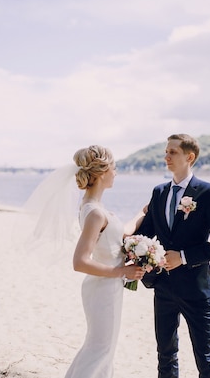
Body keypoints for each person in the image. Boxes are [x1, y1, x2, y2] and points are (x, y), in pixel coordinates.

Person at [24, 144, 145, 378]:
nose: (116, 173)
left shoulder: (93, 208)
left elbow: (121, 233)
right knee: (101, 349)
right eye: (114, 167)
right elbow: (79, 262)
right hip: (102, 288)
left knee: (100, 348)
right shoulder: (95, 213)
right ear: (101, 173)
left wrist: (142, 214)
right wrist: (122, 272)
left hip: (106, 287)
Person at [136, 134, 210, 378]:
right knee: (165, 355)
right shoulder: (159, 193)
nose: (166, 156)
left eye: (173, 152)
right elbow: (145, 233)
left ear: (189, 157)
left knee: (205, 357)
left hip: (195, 289)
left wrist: (183, 256)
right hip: (163, 287)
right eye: (166, 151)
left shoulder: (208, 193)